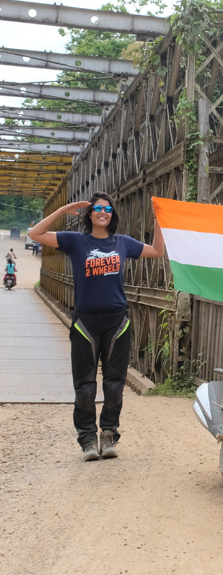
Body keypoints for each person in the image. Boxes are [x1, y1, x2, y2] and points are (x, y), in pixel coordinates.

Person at [28, 193, 165, 461]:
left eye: (108, 209)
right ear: (90, 214)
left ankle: (109, 434)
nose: (103, 212)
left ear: (113, 215)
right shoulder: (76, 241)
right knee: (85, 386)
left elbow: (157, 251)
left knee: (114, 385)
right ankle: (88, 439)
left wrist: (158, 219)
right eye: (98, 208)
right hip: (85, 322)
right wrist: (64, 210)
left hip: (116, 321)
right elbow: (35, 234)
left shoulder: (123, 243)